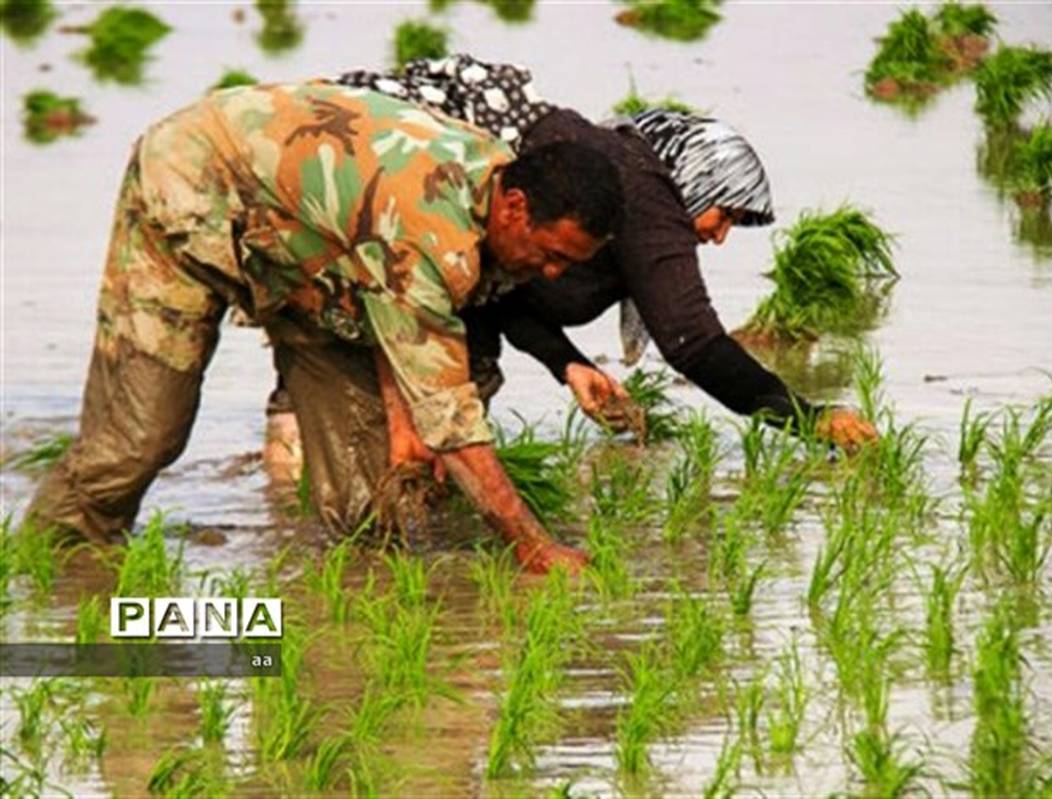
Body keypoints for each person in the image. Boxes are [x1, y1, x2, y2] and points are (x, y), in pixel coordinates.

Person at [24, 80, 623, 574]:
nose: (550, 273)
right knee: (142, 436)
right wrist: (532, 545)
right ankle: (47, 577)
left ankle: (340, 640)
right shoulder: (433, 230)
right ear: (514, 206)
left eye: (568, 264)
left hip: (306, 246)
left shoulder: (490, 183)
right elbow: (451, 419)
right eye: (551, 255)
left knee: (368, 492)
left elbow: (392, 298)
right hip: (191, 185)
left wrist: (400, 417)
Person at [332, 55, 878, 448]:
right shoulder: (646, 196)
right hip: (379, 226)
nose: (719, 235)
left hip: (361, 230)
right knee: (415, 410)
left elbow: (501, 297)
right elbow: (694, 345)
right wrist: (808, 420)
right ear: (696, 180)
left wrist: (567, 364)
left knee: (353, 394)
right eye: (726, 213)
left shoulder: (607, 187)